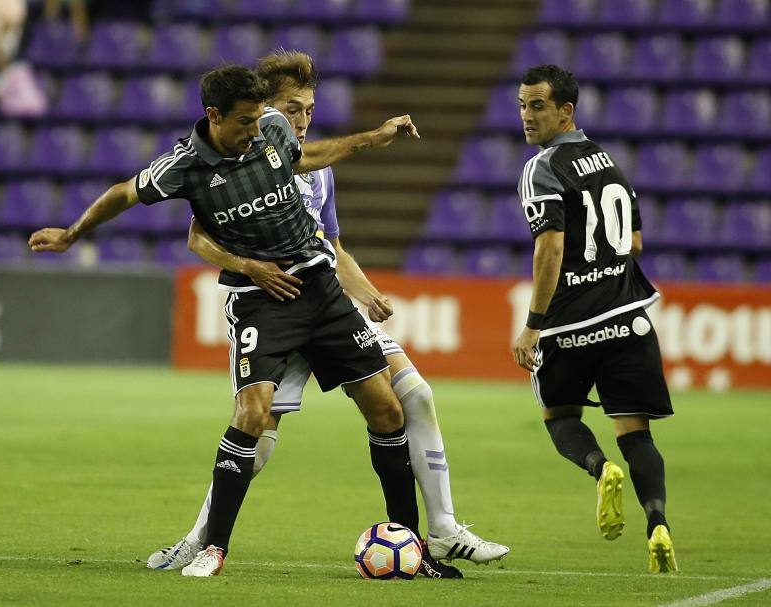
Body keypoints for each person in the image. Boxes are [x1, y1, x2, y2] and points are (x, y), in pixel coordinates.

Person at [28, 63, 425, 578]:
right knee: (253, 415)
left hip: (320, 288)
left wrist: (376, 136)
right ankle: (213, 548)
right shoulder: (184, 166)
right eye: (243, 122)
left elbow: (310, 157)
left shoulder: (272, 128)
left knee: (388, 409)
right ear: (213, 116)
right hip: (258, 299)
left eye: (259, 119)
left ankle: (414, 545)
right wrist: (72, 234)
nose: (256, 131)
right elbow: (124, 193)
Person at [146, 51, 509, 578]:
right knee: (258, 434)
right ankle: (199, 539)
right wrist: (250, 268)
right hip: (270, 308)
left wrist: (366, 293)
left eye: (310, 109)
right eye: (293, 109)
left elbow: (331, 247)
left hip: (326, 301)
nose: (304, 119)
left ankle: (441, 530)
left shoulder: (320, 173)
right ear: (262, 109)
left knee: (412, 396)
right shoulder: (243, 162)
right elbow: (197, 236)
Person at [511, 64, 678, 573]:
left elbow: (551, 249)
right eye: (522, 105)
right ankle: (658, 525)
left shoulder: (542, 167)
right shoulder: (609, 163)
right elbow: (636, 242)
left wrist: (533, 324)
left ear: (566, 111)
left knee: (560, 417)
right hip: (629, 316)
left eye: (538, 106)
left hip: (570, 324)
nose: (527, 116)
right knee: (637, 432)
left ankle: (600, 467)